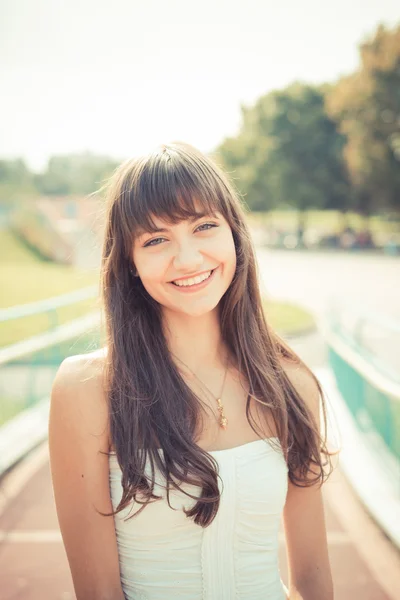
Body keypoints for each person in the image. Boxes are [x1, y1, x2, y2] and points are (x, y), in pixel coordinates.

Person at [48, 141, 335, 600]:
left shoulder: (292, 385)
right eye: (156, 239)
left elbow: (314, 581)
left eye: (204, 226)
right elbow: (98, 592)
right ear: (130, 263)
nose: (187, 259)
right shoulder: (88, 391)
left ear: (235, 234)